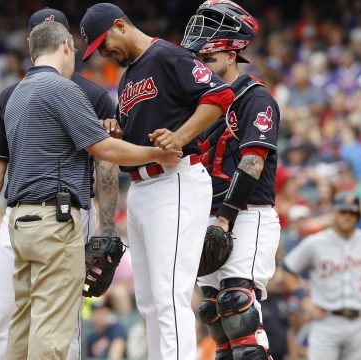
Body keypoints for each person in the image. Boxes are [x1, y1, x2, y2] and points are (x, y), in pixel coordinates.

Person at [0, 21, 182, 359]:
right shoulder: (63, 88)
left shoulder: (14, 95)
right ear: (66, 47)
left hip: (20, 222)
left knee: (21, 328)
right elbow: (105, 151)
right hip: (53, 222)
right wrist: (157, 153)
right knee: (52, 330)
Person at [80, 3, 234, 358]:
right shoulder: (128, 75)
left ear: (120, 25)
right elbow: (135, 131)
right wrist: (116, 127)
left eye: (104, 43)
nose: (103, 52)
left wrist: (180, 136)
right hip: (142, 188)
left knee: (169, 295)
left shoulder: (166, 55)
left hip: (174, 182)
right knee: (148, 301)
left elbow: (220, 96)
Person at [0, 8, 119, 360]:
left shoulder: (30, 91)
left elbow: (105, 164)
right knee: (28, 320)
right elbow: (106, 151)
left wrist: (105, 226)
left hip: (43, 215)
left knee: (39, 323)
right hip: (46, 218)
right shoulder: (37, 91)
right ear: (66, 46)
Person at [180, 1, 281, 358]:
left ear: (231, 53)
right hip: (207, 215)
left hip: (246, 213)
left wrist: (226, 217)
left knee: (237, 305)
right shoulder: (200, 103)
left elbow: (253, 162)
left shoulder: (256, 98)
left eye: (209, 59)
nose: (203, 65)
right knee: (213, 314)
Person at [283, 192, 361, 360]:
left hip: (360, 322)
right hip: (326, 321)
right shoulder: (315, 242)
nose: (347, 216)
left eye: (352, 213)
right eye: (343, 212)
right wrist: (304, 299)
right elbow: (288, 269)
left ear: (358, 215)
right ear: (334, 213)